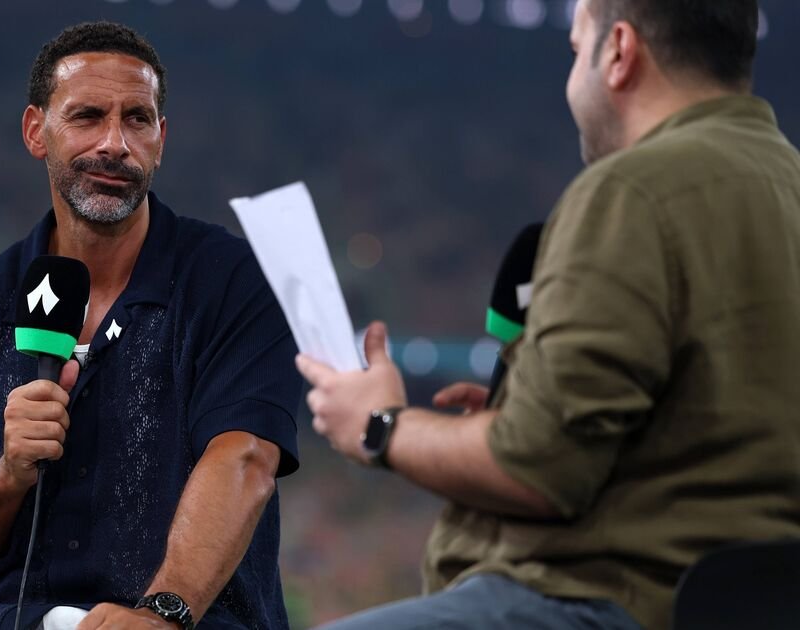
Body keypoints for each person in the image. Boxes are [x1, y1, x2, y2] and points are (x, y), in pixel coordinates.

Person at [296, 1, 800, 629]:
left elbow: (536, 469)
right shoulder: (785, 181)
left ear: (618, 52)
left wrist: (380, 425)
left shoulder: (633, 191)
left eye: (575, 49)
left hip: (610, 600)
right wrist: (524, 406)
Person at [0, 22, 301, 630]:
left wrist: (163, 612)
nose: (115, 143)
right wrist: (7, 475)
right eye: (87, 116)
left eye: (137, 120)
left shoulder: (232, 281)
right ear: (36, 131)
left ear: (161, 140)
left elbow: (244, 459)